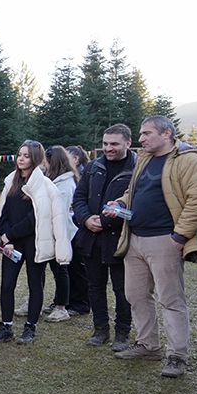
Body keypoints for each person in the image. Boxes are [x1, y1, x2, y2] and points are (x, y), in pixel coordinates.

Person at [104, 116, 197, 378]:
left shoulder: (190, 161)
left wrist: (179, 236)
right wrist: (120, 203)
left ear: (167, 134)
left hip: (165, 239)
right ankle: (148, 344)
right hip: (135, 238)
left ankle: (177, 355)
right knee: (136, 295)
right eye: (141, 134)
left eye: (147, 133)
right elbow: (134, 192)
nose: (141, 139)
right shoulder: (145, 159)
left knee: (171, 299)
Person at [0, 140, 71, 345]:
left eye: (26, 155)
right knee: (7, 285)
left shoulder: (46, 186)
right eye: (20, 155)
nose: (21, 159)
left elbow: (36, 217)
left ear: (35, 158)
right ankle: (6, 327)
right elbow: (4, 211)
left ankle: (30, 328)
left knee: (35, 285)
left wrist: (10, 235)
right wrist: (4, 237)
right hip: (11, 244)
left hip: (35, 242)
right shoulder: (11, 182)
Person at [72, 124, 135, 349]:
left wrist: (106, 220)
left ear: (128, 143)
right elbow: (78, 198)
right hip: (91, 238)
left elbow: (137, 206)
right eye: (105, 143)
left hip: (120, 239)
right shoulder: (93, 167)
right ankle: (100, 330)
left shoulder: (138, 168)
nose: (108, 148)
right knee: (95, 286)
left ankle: (122, 333)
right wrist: (86, 219)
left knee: (122, 289)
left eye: (114, 144)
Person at [43, 146, 80, 323]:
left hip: (63, 233)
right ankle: (58, 300)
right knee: (56, 270)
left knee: (62, 269)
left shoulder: (65, 184)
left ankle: (62, 306)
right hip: (53, 233)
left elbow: (62, 213)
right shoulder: (55, 181)